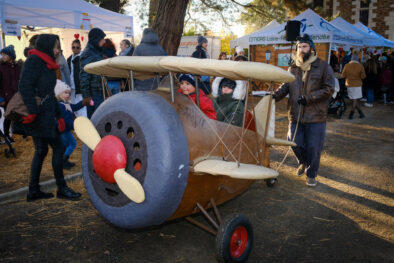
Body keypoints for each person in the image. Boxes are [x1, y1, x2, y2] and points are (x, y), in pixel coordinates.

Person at [19, 34, 81, 201]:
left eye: (58, 46)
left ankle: (34, 191)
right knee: (56, 149)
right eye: (55, 46)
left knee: (42, 151)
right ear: (46, 46)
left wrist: (59, 116)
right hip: (38, 117)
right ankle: (61, 188)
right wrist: (32, 111)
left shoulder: (48, 65)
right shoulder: (33, 61)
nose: (57, 50)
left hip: (46, 116)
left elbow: (49, 95)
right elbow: (25, 86)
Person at [273, 34, 335, 187]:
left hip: (316, 116)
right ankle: (302, 161)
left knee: (314, 148)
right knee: (293, 142)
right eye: (299, 47)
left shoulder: (323, 67)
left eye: (304, 46)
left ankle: (311, 174)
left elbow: (329, 89)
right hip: (295, 114)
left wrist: (309, 98)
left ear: (312, 48)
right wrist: (275, 96)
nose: (301, 49)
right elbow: (286, 86)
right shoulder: (293, 67)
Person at [55, 80, 84, 169]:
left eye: (68, 93)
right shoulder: (61, 106)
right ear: (59, 94)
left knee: (65, 145)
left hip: (64, 129)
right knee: (72, 144)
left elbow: (74, 107)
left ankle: (64, 161)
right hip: (64, 129)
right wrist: (75, 126)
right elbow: (66, 120)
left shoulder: (65, 104)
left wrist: (83, 102)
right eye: (65, 93)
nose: (68, 94)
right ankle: (63, 161)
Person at [80, 28, 106, 118]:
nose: (104, 41)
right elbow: (84, 75)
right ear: (96, 39)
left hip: (98, 92)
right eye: (102, 38)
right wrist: (86, 95)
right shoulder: (88, 53)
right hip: (94, 94)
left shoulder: (95, 51)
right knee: (97, 119)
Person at [0, 45, 22, 143]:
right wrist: (1, 99)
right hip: (5, 97)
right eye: (2, 55)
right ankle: (6, 135)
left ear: (10, 55)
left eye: (4, 54)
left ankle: (19, 132)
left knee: (18, 115)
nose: (2, 56)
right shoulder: (1, 67)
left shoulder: (17, 67)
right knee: (7, 116)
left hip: (16, 96)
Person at [342, 52, 366, 119]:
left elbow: (343, 75)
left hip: (349, 84)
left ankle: (360, 113)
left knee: (353, 100)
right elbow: (363, 76)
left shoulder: (347, 65)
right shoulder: (360, 66)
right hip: (357, 85)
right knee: (355, 100)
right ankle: (351, 113)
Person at [67, 39, 86, 117]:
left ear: (80, 48)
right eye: (73, 47)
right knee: (73, 105)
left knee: (82, 105)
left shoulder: (83, 58)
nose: (75, 49)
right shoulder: (69, 59)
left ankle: (83, 121)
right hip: (71, 86)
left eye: (77, 47)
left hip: (80, 86)